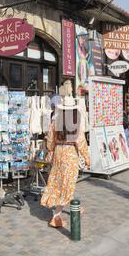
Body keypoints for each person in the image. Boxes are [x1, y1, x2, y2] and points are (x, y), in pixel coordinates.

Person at [40, 96, 91, 228]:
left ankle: (74, 207)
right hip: (70, 155)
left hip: (58, 153)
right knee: (68, 183)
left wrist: (52, 151)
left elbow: (50, 141)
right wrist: (87, 158)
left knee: (59, 183)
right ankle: (56, 217)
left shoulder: (55, 123)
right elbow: (81, 142)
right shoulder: (75, 124)